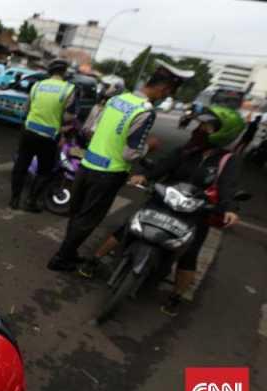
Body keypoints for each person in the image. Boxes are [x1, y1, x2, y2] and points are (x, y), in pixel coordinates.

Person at [78, 107, 245, 317]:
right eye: (202, 124)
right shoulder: (188, 149)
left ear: (223, 132)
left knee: (189, 253)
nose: (201, 128)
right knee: (129, 227)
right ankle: (94, 260)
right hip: (165, 199)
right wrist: (145, 177)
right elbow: (165, 165)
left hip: (196, 211)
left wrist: (229, 208)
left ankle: (176, 297)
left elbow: (228, 186)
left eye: (208, 126)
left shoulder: (229, 160)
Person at [48, 60, 195, 272]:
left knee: (78, 214)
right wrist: (149, 147)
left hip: (87, 164)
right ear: (163, 88)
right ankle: (61, 258)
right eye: (168, 93)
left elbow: (91, 130)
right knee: (88, 219)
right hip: (108, 174)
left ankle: (68, 252)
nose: (165, 97)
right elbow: (130, 153)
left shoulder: (117, 99)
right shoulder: (145, 111)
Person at [10, 59, 77, 212]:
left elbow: (26, 109)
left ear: (50, 72)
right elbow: (69, 117)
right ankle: (30, 202)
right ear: (64, 73)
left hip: (29, 132)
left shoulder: (37, 86)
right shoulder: (68, 89)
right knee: (44, 171)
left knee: (21, 166)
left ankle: (14, 200)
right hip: (49, 137)